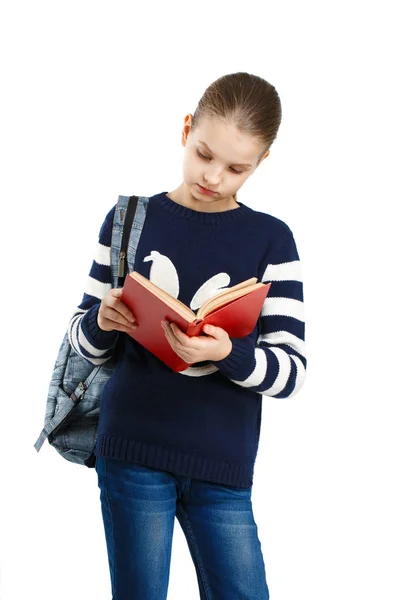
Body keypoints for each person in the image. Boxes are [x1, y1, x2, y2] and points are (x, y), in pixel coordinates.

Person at [68, 72, 306, 600]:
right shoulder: (128, 219)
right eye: (204, 154)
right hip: (132, 449)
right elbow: (82, 344)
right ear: (185, 130)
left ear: (261, 163)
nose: (214, 176)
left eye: (236, 168)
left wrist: (228, 352)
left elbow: (292, 373)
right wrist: (101, 322)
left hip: (223, 466)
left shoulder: (272, 240)